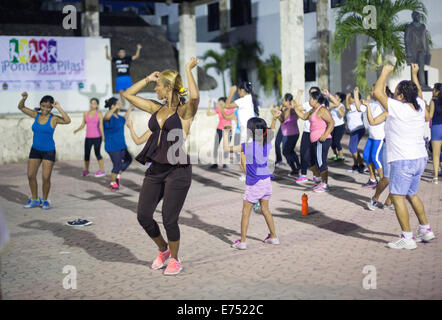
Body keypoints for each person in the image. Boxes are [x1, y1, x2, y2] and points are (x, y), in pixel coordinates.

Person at [123, 57, 200, 276]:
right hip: (155, 169)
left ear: (167, 88)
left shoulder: (184, 112)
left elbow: (194, 96)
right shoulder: (156, 109)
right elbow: (128, 95)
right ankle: (163, 249)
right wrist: (147, 78)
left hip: (178, 170)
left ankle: (175, 259)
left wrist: (187, 69)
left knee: (169, 218)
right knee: (144, 215)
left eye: (158, 85)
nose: (155, 88)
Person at [373, 63, 435, 249]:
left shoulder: (397, 107)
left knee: (397, 196)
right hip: (419, 158)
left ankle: (407, 238)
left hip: (403, 159)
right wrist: (414, 74)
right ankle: (425, 230)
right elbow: (419, 96)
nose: (393, 95)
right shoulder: (419, 106)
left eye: (396, 92)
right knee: (411, 194)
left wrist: (385, 72)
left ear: (400, 96)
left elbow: (377, 92)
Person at [223, 116, 280, 250]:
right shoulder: (267, 143)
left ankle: (242, 241)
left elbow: (227, 148)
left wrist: (225, 134)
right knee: (265, 210)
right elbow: (271, 130)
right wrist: (275, 119)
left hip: (254, 183)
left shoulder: (247, 146)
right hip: (266, 182)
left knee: (246, 212)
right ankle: (273, 237)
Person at [18, 92, 71, 210]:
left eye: (48, 106)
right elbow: (21, 107)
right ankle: (35, 199)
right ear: (40, 105)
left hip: (48, 151)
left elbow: (68, 120)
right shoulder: (36, 115)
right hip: (35, 150)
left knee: (46, 177)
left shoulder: (54, 119)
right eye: (43, 106)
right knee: (30, 175)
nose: (45, 109)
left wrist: (59, 107)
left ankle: (45, 200)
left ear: (51, 107)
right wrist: (24, 98)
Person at [294, 91, 334, 192]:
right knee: (309, 159)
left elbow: (331, 123)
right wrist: (295, 108)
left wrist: (324, 135)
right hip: (314, 140)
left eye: (311, 98)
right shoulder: (313, 110)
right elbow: (303, 117)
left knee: (321, 162)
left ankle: (324, 184)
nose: (309, 100)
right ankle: (320, 180)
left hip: (322, 140)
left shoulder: (322, 110)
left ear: (316, 100)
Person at [222, 81, 259, 181]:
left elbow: (227, 105)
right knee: (243, 158)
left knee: (243, 158)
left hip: (246, 133)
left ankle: (253, 179)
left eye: (238, 91)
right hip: (248, 132)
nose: (238, 93)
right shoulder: (250, 98)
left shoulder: (244, 100)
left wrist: (231, 92)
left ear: (242, 90)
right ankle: (252, 178)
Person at [366, 88, 394, 211]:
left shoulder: (407, 110)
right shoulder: (388, 111)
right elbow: (372, 122)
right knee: (387, 178)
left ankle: (388, 203)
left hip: (402, 148)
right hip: (388, 145)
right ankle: (375, 199)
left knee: (398, 179)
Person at [103, 98, 133, 191]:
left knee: (128, 159)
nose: (120, 105)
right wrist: (114, 107)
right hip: (112, 146)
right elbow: (106, 117)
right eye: (118, 103)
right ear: (113, 106)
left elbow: (124, 118)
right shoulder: (108, 117)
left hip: (122, 145)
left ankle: (117, 175)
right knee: (116, 165)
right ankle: (113, 183)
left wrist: (130, 109)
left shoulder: (119, 118)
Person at [359, 86, 386, 189]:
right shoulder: (371, 103)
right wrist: (357, 95)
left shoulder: (383, 104)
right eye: (371, 89)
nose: (371, 91)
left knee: (375, 158)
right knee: (366, 155)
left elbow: (374, 120)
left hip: (379, 136)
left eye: (373, 90)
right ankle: (373, 179)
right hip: (371, 136)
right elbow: (358, 107)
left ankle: (383, 181)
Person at [73, 98, 105, 177]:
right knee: (86, 154)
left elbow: (101, 126)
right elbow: (83, 124)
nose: (92, 105)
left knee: (97, 153)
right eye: (91, 103)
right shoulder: (85, 113)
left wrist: (103, 137)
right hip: (88, 138)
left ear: (97, 105)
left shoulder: (99, 114)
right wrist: (77, 130)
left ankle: (102, 170)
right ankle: (86, 170)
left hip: (97, 137)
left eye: (94, 103)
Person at [296, 87, 322, 184]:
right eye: (311, 94)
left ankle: (317, 176)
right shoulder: (307, 105)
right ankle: (303, 174)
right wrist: (298, 95)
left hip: (318, 133)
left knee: (315, 156)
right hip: (307, 132)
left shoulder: (322, 106)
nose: (312, 96)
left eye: (314, 94)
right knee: (304, 153)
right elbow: (297, 108)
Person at [277, 93, 301, 177]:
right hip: (295, 133)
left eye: (283, 100)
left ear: (287, 101)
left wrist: (277, 114)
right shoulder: (293, 108)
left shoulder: (288, 109)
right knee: (290, 151)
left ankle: (295, 169)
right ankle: (298, 166)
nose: (282, 101)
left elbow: (282, 120)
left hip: (290, 134)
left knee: (285, 151)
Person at [206, 97, 234, 169]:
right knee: (216, 146)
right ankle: (215, 163)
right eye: (218, 103)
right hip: (219, 129)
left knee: (226, 147)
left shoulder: (231, 109)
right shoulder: (218, 110)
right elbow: (208, 114)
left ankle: (225, 163)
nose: (219, 104)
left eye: (220, 102)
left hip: (228, 130)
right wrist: (209, 105)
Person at [345, 88, 367, 173]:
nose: (349, 99)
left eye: (351, 97)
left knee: (352, 147)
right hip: (353, 130)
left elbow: (347, 106)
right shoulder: (353, 107)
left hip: (358, 129)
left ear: (355, 99)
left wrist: (347, 97)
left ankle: (361, 165)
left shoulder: (357, 106)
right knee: (353, 148)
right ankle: (355, 165)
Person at [324, 90, 346, 162]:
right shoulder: (332, 105)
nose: (333, 97)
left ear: (339, 99)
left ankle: (341, 156)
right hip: (332, 126)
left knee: (336, 141)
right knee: (331, 141)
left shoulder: (341, 106)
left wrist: (338, 109)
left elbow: (342, 115)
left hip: (340, 126)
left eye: (335, 96)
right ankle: (335, 154)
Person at [428, 83, 442, 184]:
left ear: (438, 91)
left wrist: (427, 108)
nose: (433, 91)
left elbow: (430, 115)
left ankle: (436, 177)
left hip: (436, 128)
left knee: (436, 155)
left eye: (434, 89)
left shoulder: (433, 101)